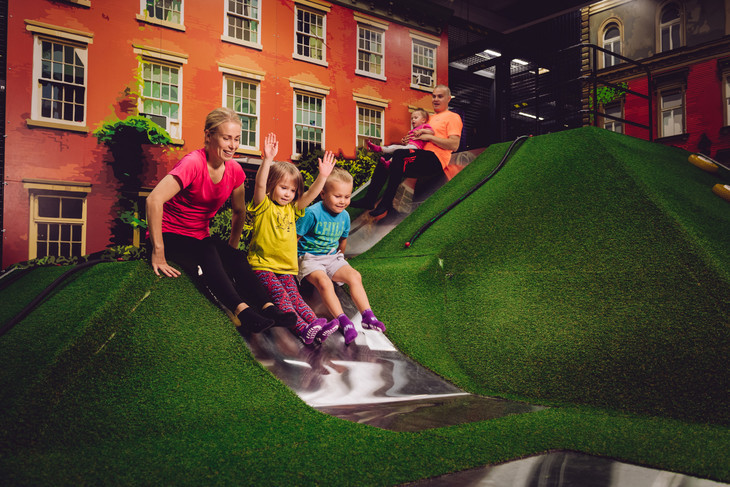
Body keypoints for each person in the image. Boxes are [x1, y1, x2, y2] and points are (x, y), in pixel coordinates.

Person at [146, 107, 296, 334]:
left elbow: (239, 211)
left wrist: (231, 249)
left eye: (237, 139)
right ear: (209, 136)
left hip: (198, 236)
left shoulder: (234, 170)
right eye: (226, 138)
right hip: (170, 234)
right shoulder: (193, 163)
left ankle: (269, 308)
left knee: (235, 256)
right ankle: (244, 313)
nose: (232, 145)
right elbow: (153, 200)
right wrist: (158, 251)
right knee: (206, 248)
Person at [247, 134, 340, 345]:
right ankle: (302, 329)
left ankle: (316, 326)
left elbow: (311, 195)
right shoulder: (263, 205)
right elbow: (259, 186)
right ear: (271, 185)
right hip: (263, 266)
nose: (288, 194)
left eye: (292, 190)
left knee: (296, 298)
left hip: (286, 268)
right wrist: (267, 160)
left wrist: (323, 176)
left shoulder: (292, 209)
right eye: (283, 188)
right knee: (282, 296)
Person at [297, 167, 386, 345]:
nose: (343, 201)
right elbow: (295, 238)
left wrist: (341, 261)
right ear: (323, 194)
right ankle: (344, 322)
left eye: (347, 196)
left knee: (355, 276)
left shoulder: (344, 216)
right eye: (337, 196)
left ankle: (368, 317)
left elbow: (342, 240)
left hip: (332, 257)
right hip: (309, 258)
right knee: (324, 282)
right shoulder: (312, 213)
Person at [352, 85, 463, 218]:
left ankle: (386, 203)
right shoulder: (428, 118)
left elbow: (454, 145)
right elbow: (419, 139)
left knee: (399, 154)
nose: (435, 99)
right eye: (434, 96)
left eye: (440, 96)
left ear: (448, 99)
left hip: (435, 160)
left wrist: (429, 137)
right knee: (386, 157)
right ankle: (369, 200)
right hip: (418, 156)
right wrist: (409, 141)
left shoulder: (453, 117)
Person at [365, 108, 434, 167]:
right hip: (409, 146)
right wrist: (404, 141)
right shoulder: (412, 131)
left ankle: (389, 162)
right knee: (395, 147)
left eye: (416, 118)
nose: (413, 120)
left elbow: (431, 132)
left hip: (415, 148)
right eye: (412, 118)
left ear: (423, 120)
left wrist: (421, 131)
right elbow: (409, 141)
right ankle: (380, 149)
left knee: (399, 152)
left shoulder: (424, 126)